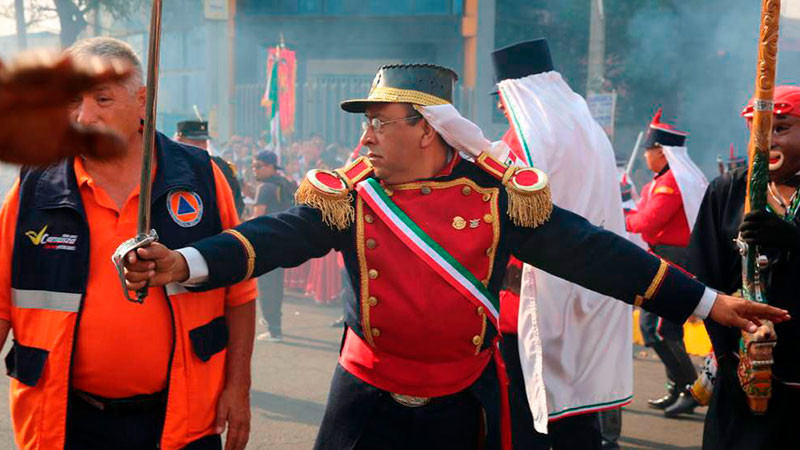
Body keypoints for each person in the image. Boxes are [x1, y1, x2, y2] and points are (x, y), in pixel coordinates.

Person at [122, 63, 787, 450]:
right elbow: (270, 239)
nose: (368, 136)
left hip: (463, 405)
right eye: (367, 121)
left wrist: (707, 302)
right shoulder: (351, 197)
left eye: (382, 120)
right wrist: (183, 263)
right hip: (364, 401)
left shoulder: (502, 201)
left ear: (428, 127)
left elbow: (599, 256)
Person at [0, 37, 256, 450]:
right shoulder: (35, 185)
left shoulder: (202, 178)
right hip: (62, 419)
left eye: (102, 99)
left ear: (142, 101)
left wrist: (239, 385)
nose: (85, 116)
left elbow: (239, 291)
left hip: (182, 417)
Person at [489, 39, 632, 449]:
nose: (501, 104)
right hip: (588, 284)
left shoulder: (524, 139)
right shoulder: (585, 127)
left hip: (530, 294)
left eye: (504, 95)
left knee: (527, 413)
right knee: (576, 414)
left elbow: (507, 216)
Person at [689, 85, 800, 449]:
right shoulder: (727, 191)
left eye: (780, 127)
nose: (765, 139)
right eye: (757, 128)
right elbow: (704, 280)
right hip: (741, 375)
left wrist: (795, 239)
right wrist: (729, 357)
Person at [624, 111, 705, 415]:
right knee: (664, 328)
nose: (646, 155)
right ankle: (679, 386)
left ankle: (692, 388)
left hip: (673, 261)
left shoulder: (670, 183)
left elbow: (648, 220)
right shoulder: (662, 181)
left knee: (657, 329)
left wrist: (622, 213)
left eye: (649, 150)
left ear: (660, 151)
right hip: (664, 258)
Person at [0, 48, 130, 166]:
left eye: (103, 99)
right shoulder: (35, 179)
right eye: (73, 100)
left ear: (142, 100)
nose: (83, 118)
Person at [251, 150, 296, 342]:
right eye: (253, 166)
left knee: (267, 286)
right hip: (284, 239)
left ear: (270, 167)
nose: (255, 170)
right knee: (276, 285)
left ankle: (273, 330)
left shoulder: (266, 187)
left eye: (258, 166)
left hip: (266, 241)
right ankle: (275, 324)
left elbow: (257, 216)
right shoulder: (285, 182)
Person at [175, 119, 246, 217]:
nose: (201, 146)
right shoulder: (169, 166)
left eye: (204, 142)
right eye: (195, 141)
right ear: (180, 140)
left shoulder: (221, 166)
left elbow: (236, 202)